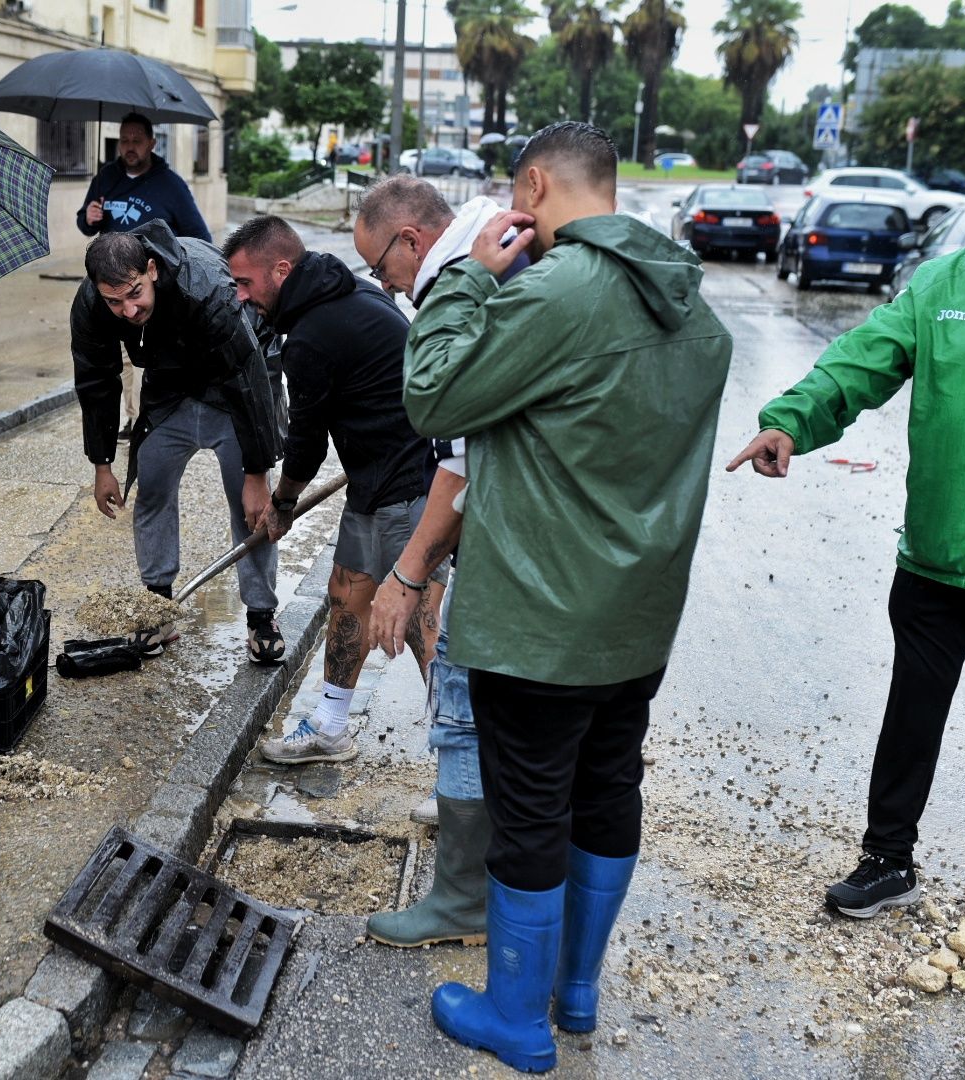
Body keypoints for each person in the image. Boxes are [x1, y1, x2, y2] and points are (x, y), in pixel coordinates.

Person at [403, 121, 732, 1072]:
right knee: (607, 790)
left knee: (533, 811)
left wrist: (467, 273)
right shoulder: (691, 306)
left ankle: (516, 1018)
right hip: (635, 620)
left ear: (534, 187)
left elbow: (431, 396)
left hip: (538, 627)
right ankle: (574, 991)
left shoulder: (559, 291)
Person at [729, 115, 965, 921]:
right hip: (937, 556)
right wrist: (790, 422)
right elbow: (859, 363)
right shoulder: (943, 287)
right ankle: (887, 858)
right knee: (912, 712)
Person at [346, 175, 526, 949]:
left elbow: (461, 460)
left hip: (504, 533)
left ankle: (461, 902)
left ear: (413, 241)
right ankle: (507, 881)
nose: (384, 285)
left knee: (458, 703)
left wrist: (408, 572)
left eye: (382, 266)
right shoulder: (512, 246)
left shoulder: (465, 282)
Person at [219, 215, 438, 768]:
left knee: (420, 625)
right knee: (347, 600)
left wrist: (284, 503)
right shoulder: (341, 295)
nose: (242, 297)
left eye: (245, 284)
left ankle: (466, 770)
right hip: (374, 481)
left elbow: (307, 446)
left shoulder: (313, 335)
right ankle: (333, 727)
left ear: (282, 269)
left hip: (409, 488)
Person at [71, 221, 283, 662]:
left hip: (233, 388)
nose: (127, 310)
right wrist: (102, 464)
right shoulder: (93, 303)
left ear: (151, 269)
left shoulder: (204, 287)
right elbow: (96, 380)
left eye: (134, 295)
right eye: (114, 301)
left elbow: (249, 375)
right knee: (152, 489)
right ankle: (158, 606)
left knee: (249, 505)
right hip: (169, 390)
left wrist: (258, 473)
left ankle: (261, 615)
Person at [76, 113, 211, 441]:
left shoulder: (171, 186)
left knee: (148, 358)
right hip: (111, 288)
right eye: (124, 140)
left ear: (152, 143)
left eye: (137, 140)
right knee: (117, 360)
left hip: (150, 290)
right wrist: (89, 217)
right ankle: (131, 417)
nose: (129, 147)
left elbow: (200, 237)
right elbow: (84, 222)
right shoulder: (107, 177)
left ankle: (150, 417)